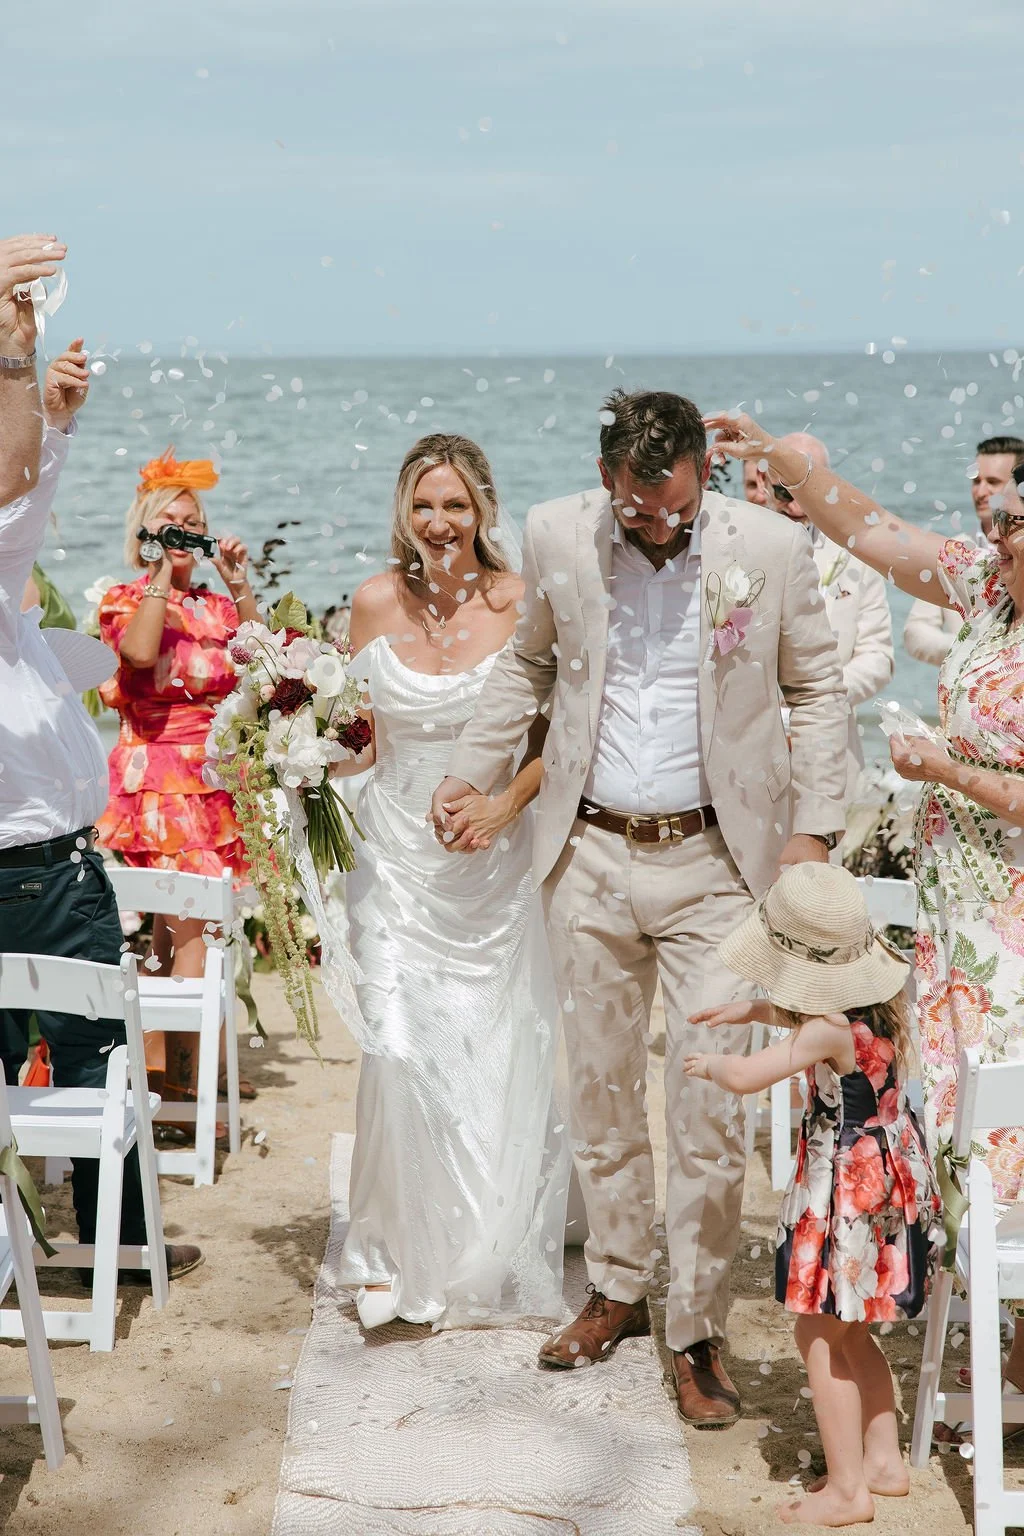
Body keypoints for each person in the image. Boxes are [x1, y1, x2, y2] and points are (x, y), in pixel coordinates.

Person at [432, 389, 849, 1425]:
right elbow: (529, 665)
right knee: (603, 1092)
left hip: (718, 861)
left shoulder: (768, 547)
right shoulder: (556, 533)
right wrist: (471, 772)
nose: (651, 521)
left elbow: (818, 687)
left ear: (702, 474)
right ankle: (616, 1286)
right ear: (608, 475)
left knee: (709, 1108)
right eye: (633, 504)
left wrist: (813, 829)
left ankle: (697, 1327)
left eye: (668, 505)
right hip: (590, 853)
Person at [706, 405, 1024, 1402]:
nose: (996, 535)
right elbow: (870, 529)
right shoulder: (981, 590)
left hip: (1011, 911)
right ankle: (995, 1336)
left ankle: (1007, 1342)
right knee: (955, 1109)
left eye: (1014, 524)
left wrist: (945, 769)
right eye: (1001, 520)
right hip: (953, 905)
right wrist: (778, 462)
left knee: (1005, 1115)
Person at [332, 432, 569, 1330]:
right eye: (424, 505)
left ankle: (473, 1241)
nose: (439, 523)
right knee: (394, 1043)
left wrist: (506, 804)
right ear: (403, 511)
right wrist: (283, 752)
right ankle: (391, 1252)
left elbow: (559, 738)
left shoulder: (520, 604)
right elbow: (359, 741)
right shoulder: (371, 604)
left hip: (489, 860)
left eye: (456, 506)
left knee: (483, 1043)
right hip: (390, 855)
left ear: (484, 512)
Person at [0, 291, 201, 1279]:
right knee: (93, 1053)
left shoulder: (24, 632)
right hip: (36, 871)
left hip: (48, 862)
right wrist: (24, 383)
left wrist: (53, 411)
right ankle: (116, 1247)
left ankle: (78, 1245)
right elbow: (17, 510)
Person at [685, 863, 941, 1527]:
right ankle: (882, 1464)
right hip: (890, 1177)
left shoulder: (825, 1027)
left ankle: (848, 1491)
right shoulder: (878, 1002)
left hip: (846, 1195)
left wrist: (712, 1064)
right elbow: (813, 1019)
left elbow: (749, 1074)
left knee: (817, 1335)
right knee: (852, 1331)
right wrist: (751, 1008)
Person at [96, 449, 258, 1101]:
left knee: (176, 927)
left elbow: (265, 665)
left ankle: (167, 1069)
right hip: (155, 781)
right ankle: (189, 1078)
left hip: (212, 777)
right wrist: (163, 567)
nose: (183, 531)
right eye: (170, 522)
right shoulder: (126, 598)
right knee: (188, 920)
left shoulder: (218, 609)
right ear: (144, 530)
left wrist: (239, 581)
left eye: (192, 523)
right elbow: (138, 652)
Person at [766, 432, 894, 797]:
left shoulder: (856, 555)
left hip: (832, 747)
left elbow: (878, 657)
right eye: (784, 493)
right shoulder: (743, 547)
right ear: (764, 482)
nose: (796, 506)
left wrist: (824, 697)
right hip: (757, 748)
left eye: (809, 490)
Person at [904, 435, 1024, 666]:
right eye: (976, 481)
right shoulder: (954, 549)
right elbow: (915, 631)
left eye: (992, 482)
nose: (980, 492)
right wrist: (968, 649)